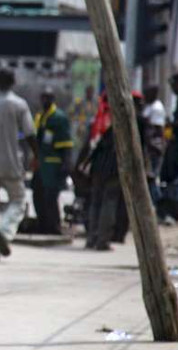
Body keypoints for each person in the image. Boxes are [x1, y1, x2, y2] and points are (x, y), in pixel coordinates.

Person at [0, 68, 39, 261]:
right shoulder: (19, 104)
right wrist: (37, 155)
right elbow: (29, 134)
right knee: (18, 201)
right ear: (13, 83)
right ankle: (5, 231)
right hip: (10, 162)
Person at [77, 91, 122, 251]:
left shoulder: (97, 119)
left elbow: (88, 145)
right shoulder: (118, 119)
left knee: (95, 202)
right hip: (113, 167)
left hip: (96, 167)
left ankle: (91, 238)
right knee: (108, 202)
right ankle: (102, 240)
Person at [32, 87, 73, 235]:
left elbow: (67, 144)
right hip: (40, 164)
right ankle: (42, 225)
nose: (45, 101)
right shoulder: (39, 117)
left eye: (48, 98)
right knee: (38, 195)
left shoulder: (59, 118)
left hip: (53, 164)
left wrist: (66, 163)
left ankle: (54, 227)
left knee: (51, 197)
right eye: (43, 98)